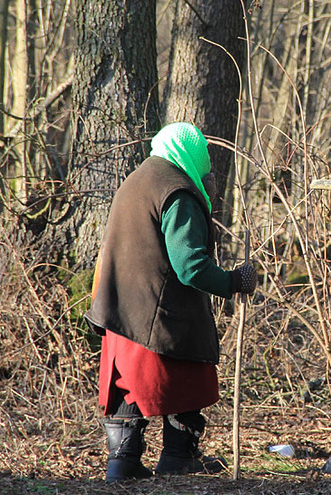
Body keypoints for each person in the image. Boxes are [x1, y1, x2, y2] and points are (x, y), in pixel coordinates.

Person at [86, 122, 257, 482]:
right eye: (204, 164)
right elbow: (190, 267)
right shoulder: (177, 192)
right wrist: (232, 281)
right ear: (192, 158)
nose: (207, 173)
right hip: (158, 315)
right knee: (184, 377)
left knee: (127, 385)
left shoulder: (137, 180)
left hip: (120, 309)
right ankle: (179, 457)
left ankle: (122, 462)